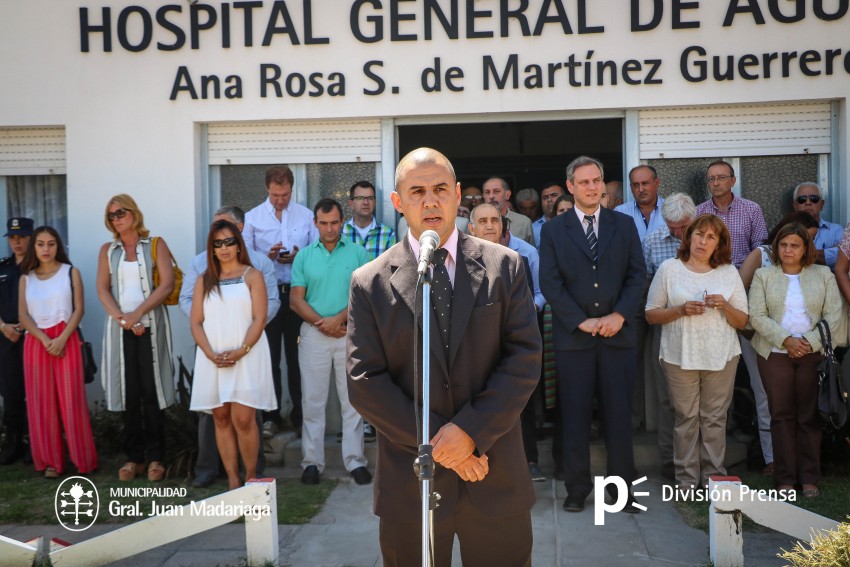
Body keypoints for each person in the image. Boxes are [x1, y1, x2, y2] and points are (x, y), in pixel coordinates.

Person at [347, 148, 541, 566]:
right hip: (411, 485)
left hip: (493, 474)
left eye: (439, 189)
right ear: (398, 202)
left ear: (457, 196)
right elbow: (365, 382)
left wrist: (470, 433)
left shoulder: (505, 267)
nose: (429, 201)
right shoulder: (369, 282)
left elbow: (524, 359)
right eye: (416, 191)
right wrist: (440, 445)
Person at [539, 155, 646, 513]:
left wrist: (620, 315)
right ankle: (576, 489)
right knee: (575, 416)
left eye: (597, 180)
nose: (592, 187)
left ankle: (622, 492)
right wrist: (579, 320)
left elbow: (637, 276)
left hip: (618, 336)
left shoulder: (625, 225)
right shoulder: (554, 230)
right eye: (584, 182)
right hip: (575, 339)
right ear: (570, 186)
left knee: (618, 414)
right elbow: (550, 283)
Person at [645, 214, 749, 489]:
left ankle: (715, 479)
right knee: (686, 418)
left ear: (719, 244)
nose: (703, 241)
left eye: (711, 237)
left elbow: (743, 321)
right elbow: (651, 314)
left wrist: (725, 306)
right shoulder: (669, 269)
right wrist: (680, 310)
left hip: (722, 356)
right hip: (680, 355)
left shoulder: (728, 272)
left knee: (715, 419)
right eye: (699, 234)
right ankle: (687, 481)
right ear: (688, 236)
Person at [179, 205, 279, 488]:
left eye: (229, 242)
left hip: (246, 355)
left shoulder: (253, 275)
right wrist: (210, 354)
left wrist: (242, 350)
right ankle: (233, 482)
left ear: (239, 244)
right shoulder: (204, 280)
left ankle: (251, 479)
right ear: (211, 249)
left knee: (245, 418)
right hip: (213, 358)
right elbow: (196, 322)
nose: (223, 248)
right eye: (217, 244)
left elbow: (260, 317)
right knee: (220, 418)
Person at [748, 222, 844, 498]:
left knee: (809, 416)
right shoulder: (764, 275)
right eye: (783, 245)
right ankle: (786, 478)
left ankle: (810, 477)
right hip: (774, 353)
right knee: (781, 415)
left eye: (795, 245)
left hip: (813, 354)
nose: (788, 250)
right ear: (776, 247)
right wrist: (786, 340)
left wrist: (808, 343)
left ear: (806, 249)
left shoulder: (823, 274)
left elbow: (833, 314)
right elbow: (757, 315)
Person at [292, 198, 371, 486]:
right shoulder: (304, 256)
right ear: (315, 223)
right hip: (315, 334)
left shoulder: (358, 253)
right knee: (312, 401)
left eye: (334, 222)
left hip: (349, 333)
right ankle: (312, 462)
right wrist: (322, 323)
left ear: (342, 221)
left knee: (353, 401)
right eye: (323, 223)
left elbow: (365, 296)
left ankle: (355, 462)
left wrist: (338, 320)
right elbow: (296, 299)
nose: (329, 228)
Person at [97, 194, 175, 482]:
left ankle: (156, 458)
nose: (116, 219)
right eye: (111, 216)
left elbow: (166, 285)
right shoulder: (108, 250)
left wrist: (137, 315)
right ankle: (133, 458)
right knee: (129, 392)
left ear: (133, 212)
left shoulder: (155, 245)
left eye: (120, 212)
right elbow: (103, 290)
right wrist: (124, 320)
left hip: (151, 326)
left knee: (151, 391)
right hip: (121, 330)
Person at [469, 203, 546, 482]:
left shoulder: (520, 261)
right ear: (471, 228)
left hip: (512, 348)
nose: (489, 225)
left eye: (494, 220)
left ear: (503, 228)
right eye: (483, 220)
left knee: (519, 407)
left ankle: (529, 461)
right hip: (474, 355)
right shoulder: (455, 264)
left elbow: (536, 297)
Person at [739, 211, 819, 477]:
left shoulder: (816, 273)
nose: (796, 247)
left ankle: (799, 465)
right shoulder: (761, 258)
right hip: (760, 339)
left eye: (806, 242)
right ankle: (774, 459)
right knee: (766, 398)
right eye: (791, 241)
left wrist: (805, 341)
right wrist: (780, 337)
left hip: (804, 349)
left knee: (803, 406)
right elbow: (741, 293)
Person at [242, 165, 318, 439]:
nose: (280, 200)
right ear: (267, 189)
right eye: (275, 195)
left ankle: (300, 416)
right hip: (268, 295)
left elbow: (316, 254)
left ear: (292, 189)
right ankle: (271, 417)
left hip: (298, 296)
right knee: (269, 358)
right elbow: (244, 261)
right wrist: (268, 256)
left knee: (299, 359)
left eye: (285, 194)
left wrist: (299, 256)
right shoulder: (252, 218)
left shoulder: (307, 216)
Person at [19, 226, 97, 478]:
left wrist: (62, 339)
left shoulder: (70, 272)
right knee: (41, 404)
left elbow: (79, 309)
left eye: (51, 243)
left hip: (66, 338)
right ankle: (51, 462)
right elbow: (23, 315)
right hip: (36, 342)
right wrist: (44, 339)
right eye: (40, 244)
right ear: (34, 247)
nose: (45, 249)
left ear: (58, 246)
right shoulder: (25, 278)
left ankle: (82, 461)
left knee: (71, 401)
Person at [642, 193, 696, 480]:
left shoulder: (709, 237)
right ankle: (669, 457)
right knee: (667, 397)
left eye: (683, 227)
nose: (678, 233)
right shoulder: (652, 242)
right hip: (664, 327)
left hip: (702, 329)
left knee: (699, 400)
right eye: (672, 226)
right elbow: (644, 284)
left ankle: (697, 458)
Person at [616, 165, 667, 430]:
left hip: (668, 298)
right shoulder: (619, 214)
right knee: (630, 360)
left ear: (657, 182)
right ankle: (632, 422)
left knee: (666, 360)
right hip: (632, 295)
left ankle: (664, 423)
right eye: (635, 185)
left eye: (645, 183)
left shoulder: (673, 211)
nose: (641, 189)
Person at [0, 217, 33, 465]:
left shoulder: (39, 267)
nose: (17, 241)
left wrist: (26, 326)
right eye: (13, 237)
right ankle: (13, 445)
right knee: (11, 395)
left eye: (21, 236)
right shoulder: (2, 267)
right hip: (6, 338)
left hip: (33, 337)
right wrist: (3, 327)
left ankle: (36, 445)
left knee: (35, 394)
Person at [695, 161, 768, 268]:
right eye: (711, 179)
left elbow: (760, 248)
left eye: (721, 177)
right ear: (708, 184)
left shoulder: (752, 209)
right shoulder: (698, 212)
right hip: (709, 273)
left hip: (744, 274)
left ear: (733, 181)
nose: (716, 183)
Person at [790, 182, 843, 268]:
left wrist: (799, 252)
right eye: (802, 199)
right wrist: (827, 253)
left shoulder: (836, 230)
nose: (808, 203)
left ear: (822, 204)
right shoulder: (785, 229)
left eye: (813, 198)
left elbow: (845, 255)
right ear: (795, 205)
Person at [342, 180, 397, 260]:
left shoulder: (387, 234)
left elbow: (391, 268)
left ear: (375, 202)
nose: (365, 202)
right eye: (360, 198)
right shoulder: (340, 233)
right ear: (351, 204)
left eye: (370, 198)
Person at [482, 176, 534, 244]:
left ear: (507, 195)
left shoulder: (524, 223)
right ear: (483, 196)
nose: (491, 196)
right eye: (487, 192)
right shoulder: (475, 221)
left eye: (496, 191)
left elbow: (531, 253)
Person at [533, 182, 566, 248]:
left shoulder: (577, 223)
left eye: (554, 195)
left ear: (564, 197)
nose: (549, 200)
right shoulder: (532, 229)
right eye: (545, 197)